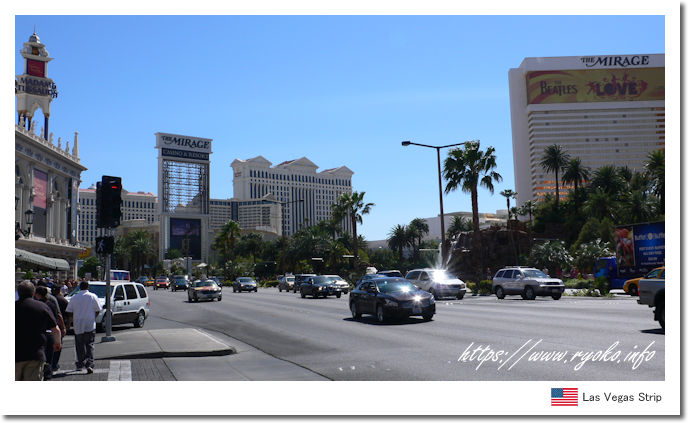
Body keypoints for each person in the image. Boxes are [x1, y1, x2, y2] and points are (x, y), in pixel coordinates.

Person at [15, 281, 62, 381]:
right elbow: (55, 329)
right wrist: (57, 342)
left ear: (18, 293)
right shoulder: (42, 307)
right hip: (35, 353)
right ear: (33, 292)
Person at [65, 281, 101, 374]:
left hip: (78, 323)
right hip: (89, 323)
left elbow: (69, 311)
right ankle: (89, 364)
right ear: (88, 287)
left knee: (79, 345)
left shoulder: (74, 297)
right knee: (89, 344)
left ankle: (80, 363)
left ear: (79, 287)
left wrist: (69, 323)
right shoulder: (93, 296)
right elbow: (98, 309)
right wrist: (93, 317)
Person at [34, 284, 66, 379]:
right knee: (49, 357)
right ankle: (48, 373)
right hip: (51, 333)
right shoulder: (51, 304)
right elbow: (58, 317)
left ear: (37, 294)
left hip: (39, 333)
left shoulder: (36, 305)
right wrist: (61, 333)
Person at [50, 285, 70, 372]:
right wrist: (66, 326)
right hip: (59, 324)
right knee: (58, 345)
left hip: (49, 325)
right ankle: (54, 364)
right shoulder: (63, 300)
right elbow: (66, 314)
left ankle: (50, 363)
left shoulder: (49, 299)